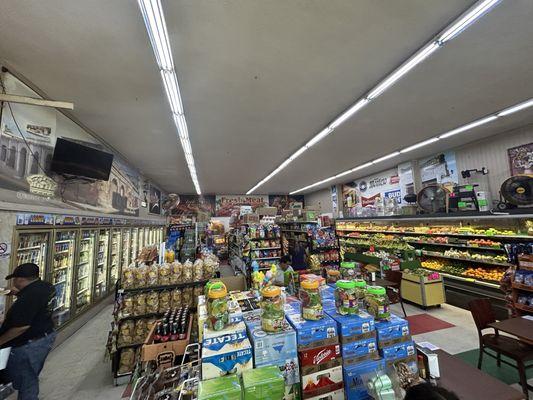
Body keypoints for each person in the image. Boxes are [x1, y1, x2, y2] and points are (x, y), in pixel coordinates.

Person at [0, 263, 56, 400]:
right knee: (29, 377)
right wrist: (13, 292)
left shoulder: (28, 298)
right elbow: (33, 297)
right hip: (44, 337)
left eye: (14, 279)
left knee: (27, 382)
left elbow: (21, 327)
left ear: (20, 280)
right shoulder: (46, 287)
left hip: (29, 345)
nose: (13, 282)